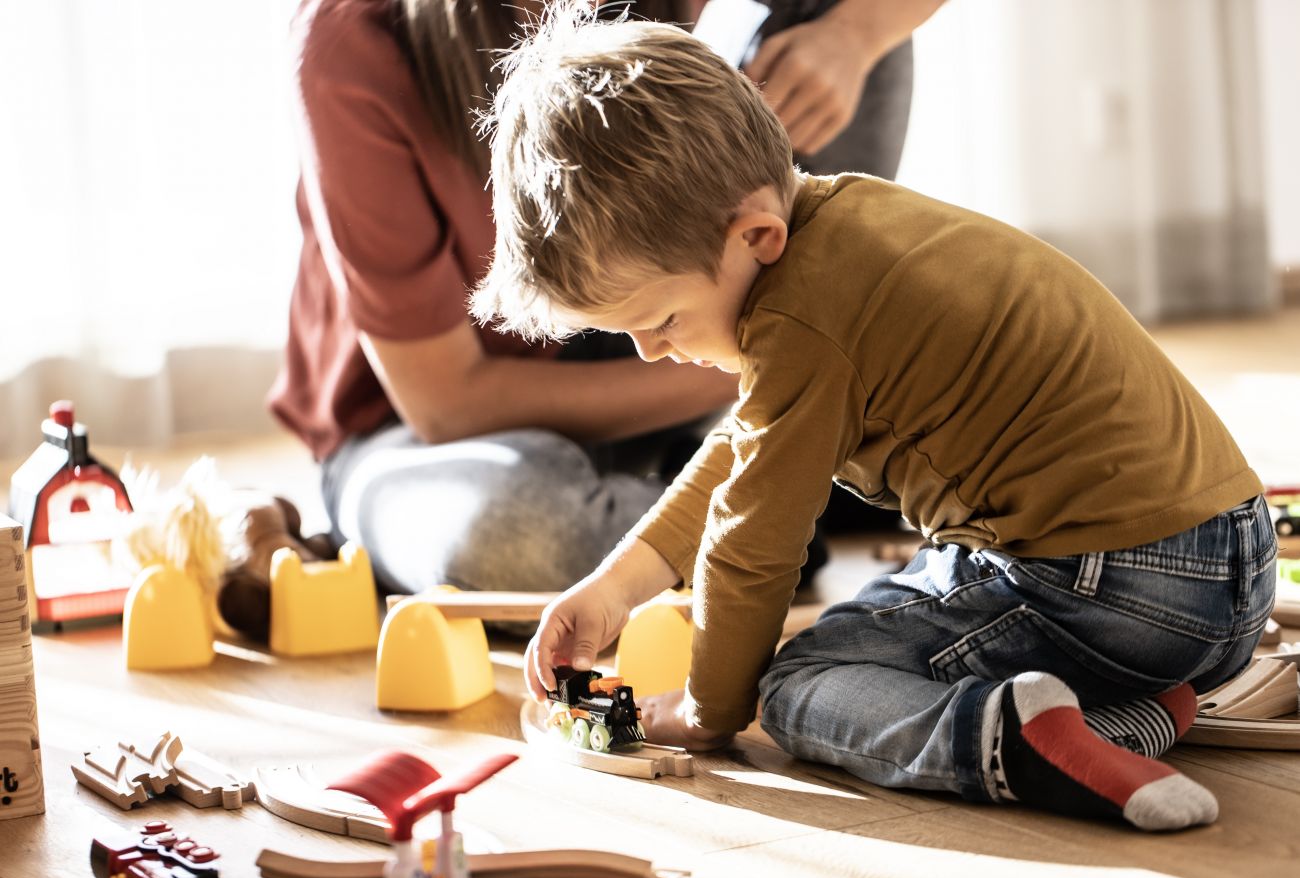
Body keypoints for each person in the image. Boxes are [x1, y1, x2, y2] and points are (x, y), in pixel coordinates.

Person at [474, 6, 1275, 831]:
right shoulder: (842, 233)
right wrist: (615, 589)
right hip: (1229, 580)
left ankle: (1001, 741)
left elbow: (754, 546)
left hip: (1117, 589)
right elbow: (746, 455)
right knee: (906, 602)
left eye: (662, 320)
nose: (648, 351)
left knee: (799, 686)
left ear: (755, 234)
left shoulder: (800, 323)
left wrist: (709, 713)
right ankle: (1131, 717)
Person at [267, 0, 938, 599]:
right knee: (513, 533)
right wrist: (792, 361)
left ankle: (780, 473)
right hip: (426, 431)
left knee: (841, 15)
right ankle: (788, 477)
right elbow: (447, 403)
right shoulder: (350, 39)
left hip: (667, 343)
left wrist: (855, 35)